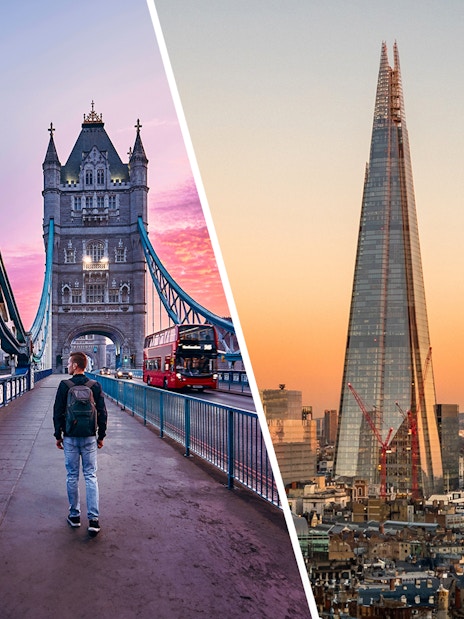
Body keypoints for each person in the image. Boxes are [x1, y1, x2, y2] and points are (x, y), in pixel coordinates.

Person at [53, 351, 107, 537]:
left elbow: (57, 412)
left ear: (75, 365)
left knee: (72, 476)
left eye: (69, 363)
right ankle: (93, 520)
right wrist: (101, 436)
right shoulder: (95, 385)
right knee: (91, 476)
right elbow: (102, 412)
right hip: (90, 437)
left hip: (70, 437)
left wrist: (58, 435)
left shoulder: (64, 385)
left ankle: (74, 516)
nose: (67, 366)